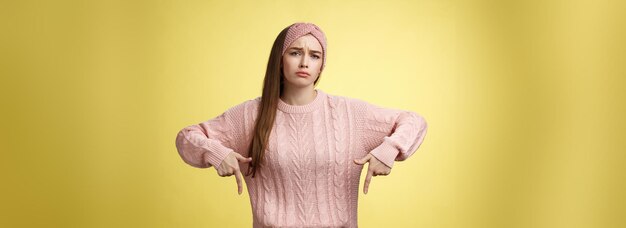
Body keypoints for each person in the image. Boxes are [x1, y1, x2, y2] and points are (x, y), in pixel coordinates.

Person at [175, 22, 428, 228]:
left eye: (314, 55)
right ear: (280, 59)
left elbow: (414, 121)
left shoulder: (349, 114)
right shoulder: (250, 115)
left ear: (321, 67)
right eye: (295, 52)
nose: (304, 62)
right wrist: (217, 153)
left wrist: (390, 149)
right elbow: (187, 137)